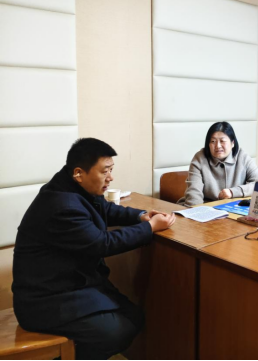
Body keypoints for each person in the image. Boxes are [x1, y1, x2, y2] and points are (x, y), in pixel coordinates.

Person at [12, 138, 176, 360]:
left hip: (71, 285)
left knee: (134, 317)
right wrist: (149, 228)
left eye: (111, 170)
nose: (110, 177)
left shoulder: (71, 184)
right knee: (117, 331)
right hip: (46, 299)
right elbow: (102, 243)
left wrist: (141, 216)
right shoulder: (61, 205)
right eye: (105, 171)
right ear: (79, 173)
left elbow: (105, 209)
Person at [180, 122, 258, 206]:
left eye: (222, 141)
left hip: (233, 208)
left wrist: (233, 192)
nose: (218, 146)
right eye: (213, 141)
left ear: (232, 143)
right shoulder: (199, 158)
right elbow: (194, 194)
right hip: (206, 207)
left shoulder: (243, 157)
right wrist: (197, 211)